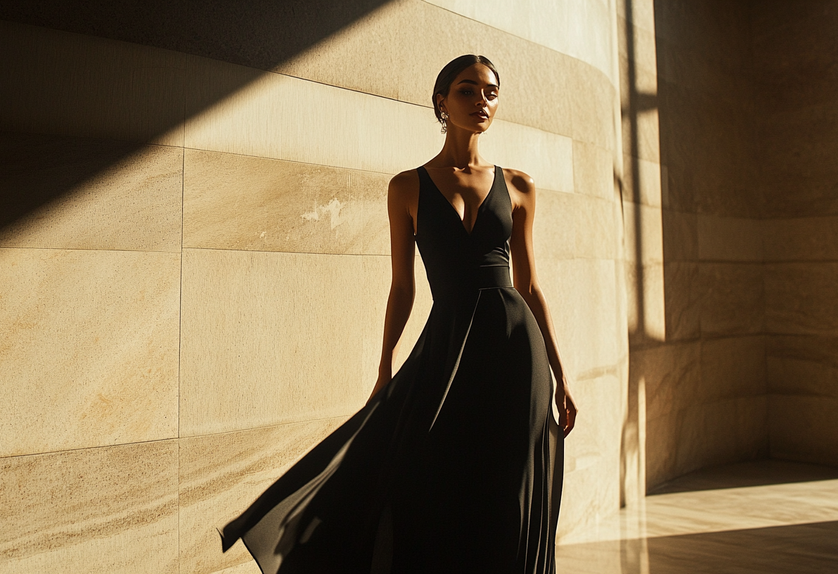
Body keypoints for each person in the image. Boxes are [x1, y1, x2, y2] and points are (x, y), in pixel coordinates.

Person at [220, 54, 577, 574]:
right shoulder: (407, 186)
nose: (481, 101)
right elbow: (403, 288)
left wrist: (560, 374)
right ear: (441, 102)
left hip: (515, 351)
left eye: (491, 92)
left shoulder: (519, 185)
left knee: (507, 491)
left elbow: (530, 286)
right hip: (447, 346)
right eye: (467, 90)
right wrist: (385, 369)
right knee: (424, 478)